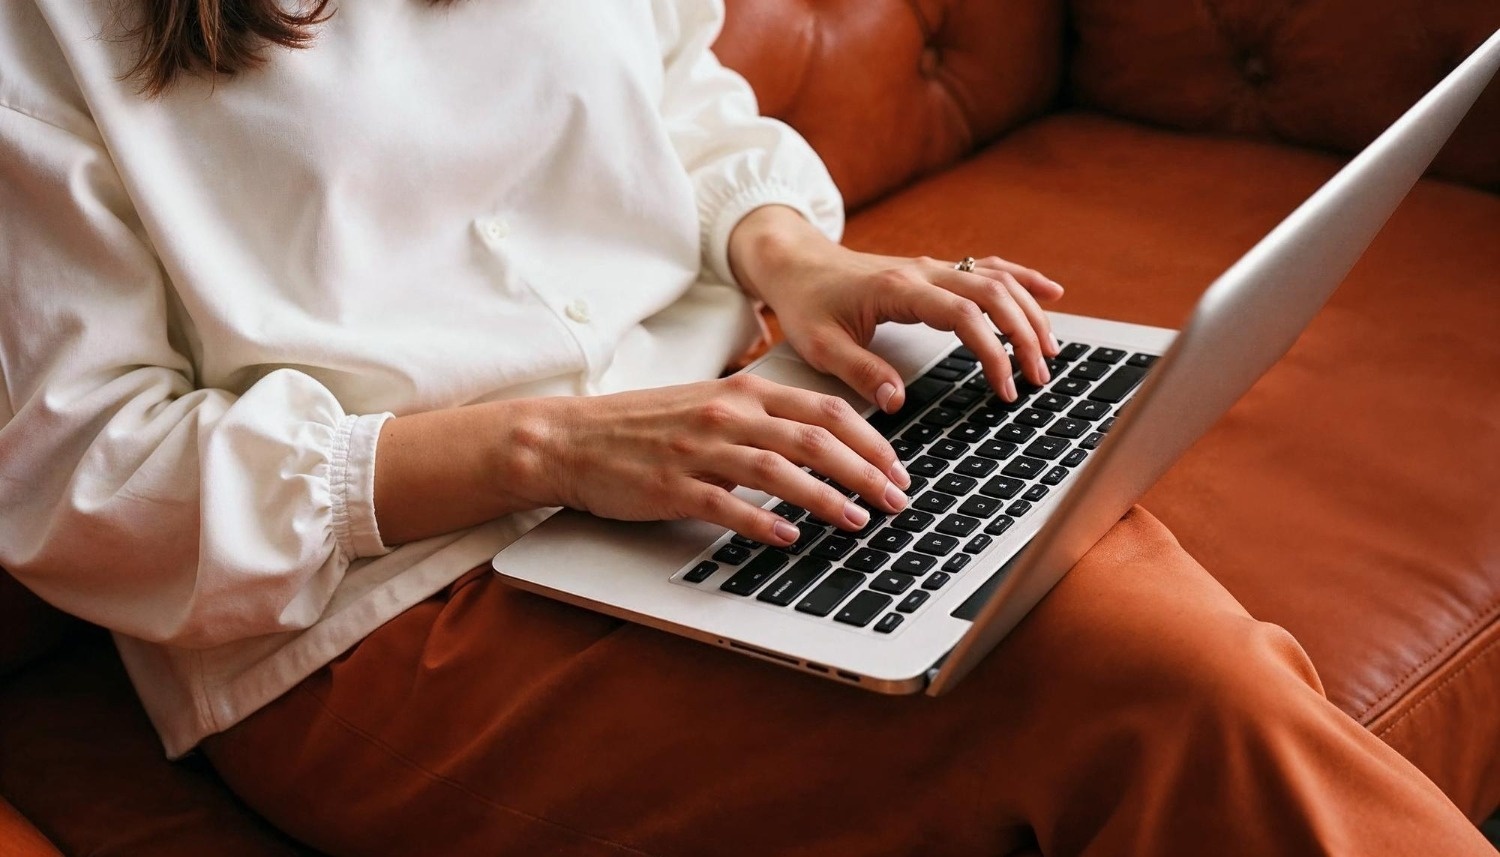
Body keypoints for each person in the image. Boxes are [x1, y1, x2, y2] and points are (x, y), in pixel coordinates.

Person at [0, 0, 1491, 854]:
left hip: (732, 430)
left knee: (1133, 619)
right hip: (382, 610)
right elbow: (82, 479)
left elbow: (677, 95)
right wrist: (555, 445)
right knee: (1155, 690)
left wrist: (794, 258)